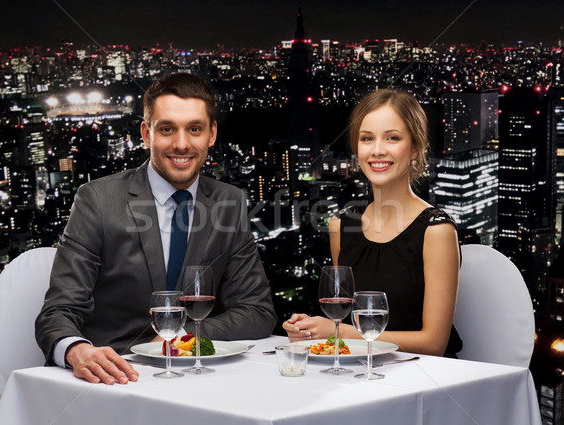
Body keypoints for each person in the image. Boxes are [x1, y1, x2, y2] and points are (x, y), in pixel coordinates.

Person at [36, 73, 277, 385]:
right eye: (167, 129)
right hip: (116, 379)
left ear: (212, 134)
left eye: (194, 129)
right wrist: (77, 350)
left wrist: (180, 338)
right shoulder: (97, 199)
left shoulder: (228, 202)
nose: (181, 144)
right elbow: (58, 312)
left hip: (202, 377)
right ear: (146, 134)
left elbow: (256, 311)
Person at [283, 89, 462, 358]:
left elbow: (434, 343)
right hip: (359, 372)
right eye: (367, 139)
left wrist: (337, 332)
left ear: (415, 148)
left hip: (423, 378)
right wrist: (308, 330)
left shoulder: (436, 231)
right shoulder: (341, 226)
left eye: (392, 138)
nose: (377, 150)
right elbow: (344, 317)